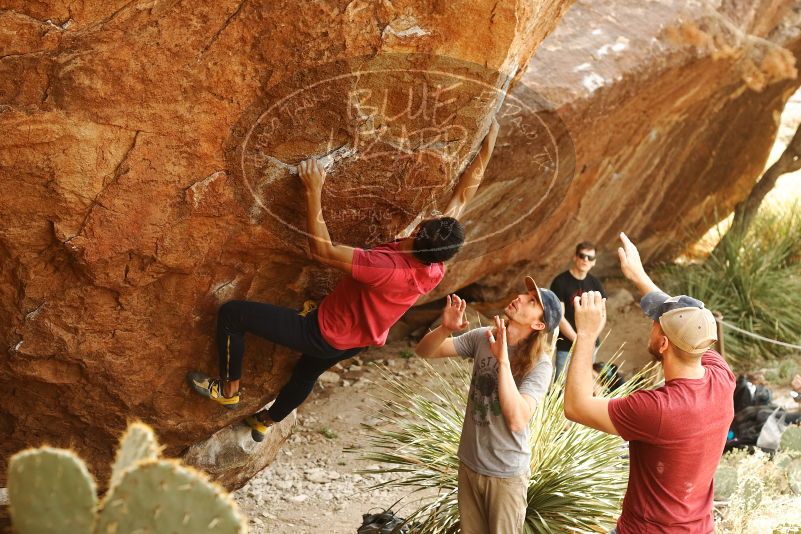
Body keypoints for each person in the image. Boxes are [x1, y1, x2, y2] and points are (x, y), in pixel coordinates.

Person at [188, 119, 500, 442]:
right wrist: (488, 144)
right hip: (358, 339)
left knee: (233, 315)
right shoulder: (434, 265)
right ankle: (265, 421)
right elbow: (463, 196)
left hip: (322, 332)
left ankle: (228, 389)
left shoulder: (385, 267)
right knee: (307, 371)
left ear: (421, 231)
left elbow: (322, 251)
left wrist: (313, 191)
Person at [564, 232, 735, 534]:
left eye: (654, 324)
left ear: (664, 343)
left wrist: (587, 334)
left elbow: (576, 407)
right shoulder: (721, 375)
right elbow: (686, 322)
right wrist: (640, 277)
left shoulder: (657, 410)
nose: (651, 326)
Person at [415, 277, 562, 534]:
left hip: (505, 476)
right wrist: (445, 329)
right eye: (525, 293)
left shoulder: (540, 364)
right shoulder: (483, 337)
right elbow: (425, 351)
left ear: (539, 324)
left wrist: (503, 360)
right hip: (470, 464)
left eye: (532, 301)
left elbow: (517, 419)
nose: (520, 297)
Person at [550, 241, 606, 380]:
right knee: (560, 384)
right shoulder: (560, 281)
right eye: (582, 256)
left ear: (594, 262)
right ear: (575, 257)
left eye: (590, 258)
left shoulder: (595, 283)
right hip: (566, 345)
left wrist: (590, 337)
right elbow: (560, 317)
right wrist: (578, 340)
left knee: (584, 380)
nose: (585, 260)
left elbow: (602, 314)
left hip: (590, 343)